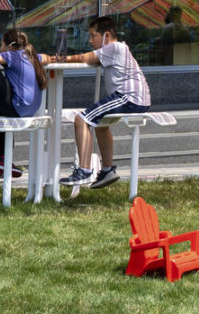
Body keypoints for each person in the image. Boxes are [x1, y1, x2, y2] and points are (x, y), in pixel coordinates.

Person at [53, 15, 152, 190]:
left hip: (129, 97)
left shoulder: (114, 47)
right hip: (136, 98)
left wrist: (59, 59)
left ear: (106, 35)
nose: (90, 40)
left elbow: (85, 58)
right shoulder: (117, 49)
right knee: (100, 125)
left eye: (93, 36)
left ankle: (83, 170)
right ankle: (107, 170)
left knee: (81, 119)